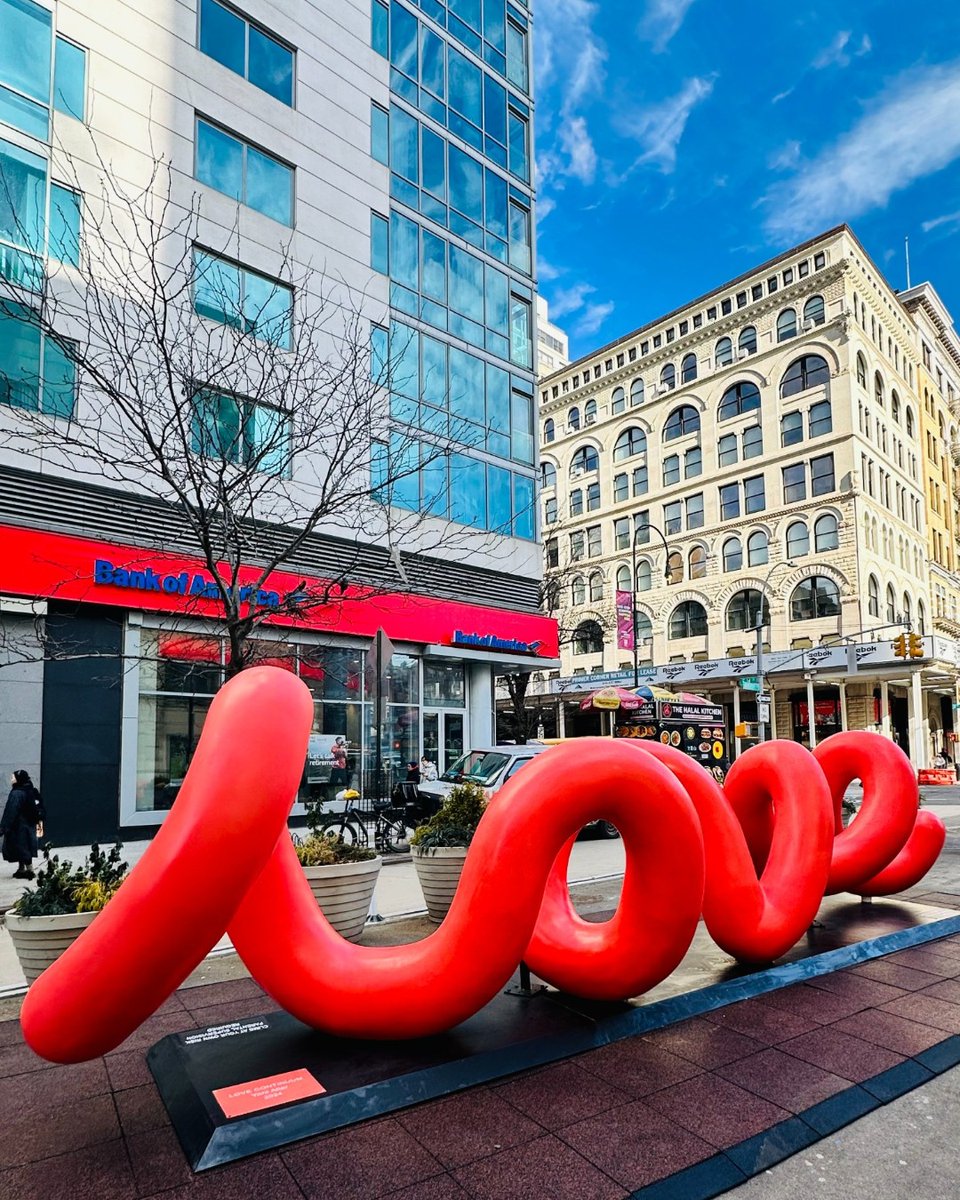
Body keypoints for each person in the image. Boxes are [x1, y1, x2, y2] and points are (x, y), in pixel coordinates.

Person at [1, 770, 45, 880]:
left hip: (18, 826)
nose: (11, 780)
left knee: (20, 847)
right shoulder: (30, 789)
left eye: (13, 777)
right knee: (25, 846)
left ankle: (29, 870)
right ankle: (22, 869)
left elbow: (10, 811)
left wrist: (3, 827)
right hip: (29, 825)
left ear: (18, 779)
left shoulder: (17, 793)